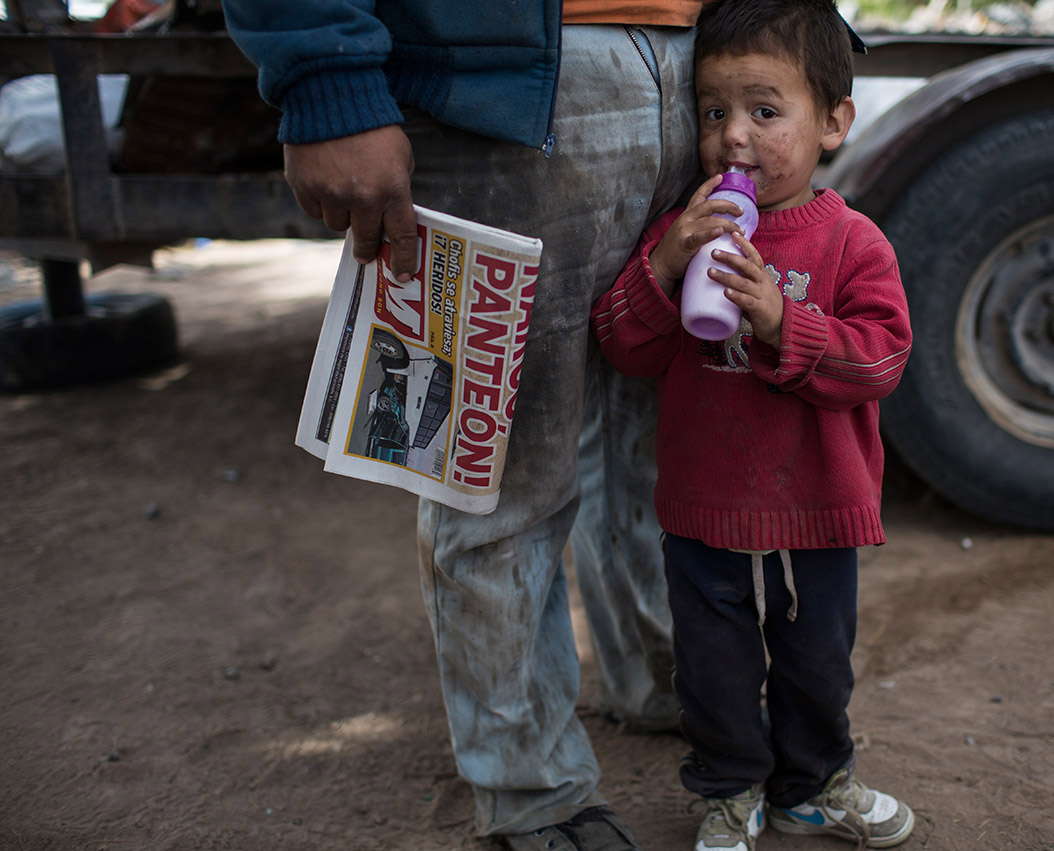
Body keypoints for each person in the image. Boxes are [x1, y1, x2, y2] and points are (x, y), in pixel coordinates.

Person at [220, 2, 707, 849]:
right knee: (502, 475)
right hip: (495, 84)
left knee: (652, 435)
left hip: (692, 63)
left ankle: (656, 681)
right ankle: (530, 784)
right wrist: (326, 75)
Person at [590, 0, 916, 848]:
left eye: (765, 112)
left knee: (814, 662)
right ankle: (730, 789)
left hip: (813, 508)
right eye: (713, 112)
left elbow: (879, 360)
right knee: (714, 666)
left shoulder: (852, 243)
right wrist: (664, 262)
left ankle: (812, 783)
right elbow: (622, 346)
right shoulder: (683, 229)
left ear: (833, 123)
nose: (734, 137)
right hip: (706, 508)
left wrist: (781, 321)